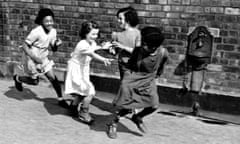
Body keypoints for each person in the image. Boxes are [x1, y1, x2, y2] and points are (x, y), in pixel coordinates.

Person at [107, 26, 169, 139]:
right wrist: (126, 80)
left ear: (155, 46)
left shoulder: (163, 52)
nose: (142, 46)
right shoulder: (138, 51)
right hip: (133, 77)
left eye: (146, 44)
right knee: (124, 105)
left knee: (154, 105)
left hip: (148, 79)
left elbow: (162, 65)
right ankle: (113, 123)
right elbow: (130, 65)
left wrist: (157, 75)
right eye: (143, 42)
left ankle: (138, 117)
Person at [13, 8, 69, 108]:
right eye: (46, 21)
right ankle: (18, 79)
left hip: (43, 56)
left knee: (53, 78)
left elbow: (53, 48)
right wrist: (34, 57)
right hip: (31, 57)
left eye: (51, 21)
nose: (49, 23)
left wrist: (56, 44)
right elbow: (25, 45)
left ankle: (61, 99)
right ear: (41, 21)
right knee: (34, 81)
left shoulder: (53, 31)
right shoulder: (36, 32)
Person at [65, 21, 113, 124]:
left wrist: (102, 47)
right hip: (77, 70)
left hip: (83, 70)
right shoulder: (82, 44)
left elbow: (93, 48)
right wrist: (103, 59)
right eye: (92, 34)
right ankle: (83, 112)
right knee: (90, 91)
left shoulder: (92, 43)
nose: (95, 36)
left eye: (96, 34)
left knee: (81, 91)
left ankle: (73, 108)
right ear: (85, 33)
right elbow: (91, 53)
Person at [111, 6, 141, 80]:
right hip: (122, 66)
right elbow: (115, 53)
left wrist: (123, 47)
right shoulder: (117, 34)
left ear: (128, 20)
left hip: (134, 67)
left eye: (120, 18)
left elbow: (138, 52)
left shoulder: (138, 34)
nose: (118, 21)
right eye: (118, 18)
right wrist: (108, 49)